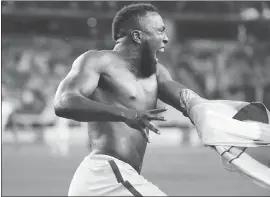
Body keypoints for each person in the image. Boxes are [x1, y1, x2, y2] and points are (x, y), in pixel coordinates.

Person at [54, 3, 192, 196]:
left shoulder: (158, 74)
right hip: (104, 178)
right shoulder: (98, 61)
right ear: (137, 36)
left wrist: (235, 116)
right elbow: (63, 102)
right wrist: (125, 113)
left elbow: (191, 102)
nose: (166, 38)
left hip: (118, 178)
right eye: (160, 31)